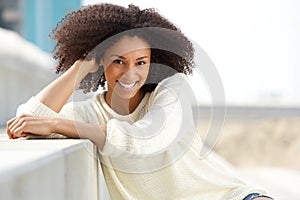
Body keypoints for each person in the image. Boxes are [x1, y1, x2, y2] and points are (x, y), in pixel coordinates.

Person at [6, 3, 273, 200]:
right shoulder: (90, 114)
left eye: (141, 62)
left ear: (153, 62)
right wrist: (80, 66)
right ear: (102, 63)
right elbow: (27, 122)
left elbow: (146, 139)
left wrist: (55, 123)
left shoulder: (171, 91)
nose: (130, 74)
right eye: (118, 61)